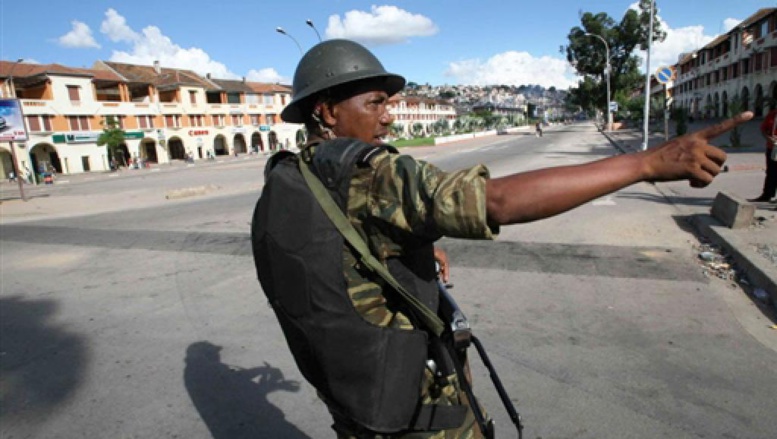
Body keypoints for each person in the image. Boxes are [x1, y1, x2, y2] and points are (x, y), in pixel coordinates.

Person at [251, 39, 752, 439]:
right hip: (417, 411)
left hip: (353, 400)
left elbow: (327, 254)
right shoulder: (368, 171)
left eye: (390, 103)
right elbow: (497, 202)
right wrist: (644, 163)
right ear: (327, 111)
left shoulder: (293, 175)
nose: (389, 117)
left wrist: (408, 249)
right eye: (376, 103)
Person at [748, 107, 777, 203]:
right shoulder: (773, 114)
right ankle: (767, 195)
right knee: (771, 172)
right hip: (772, 148)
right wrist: (768, 138)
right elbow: (763, 129)